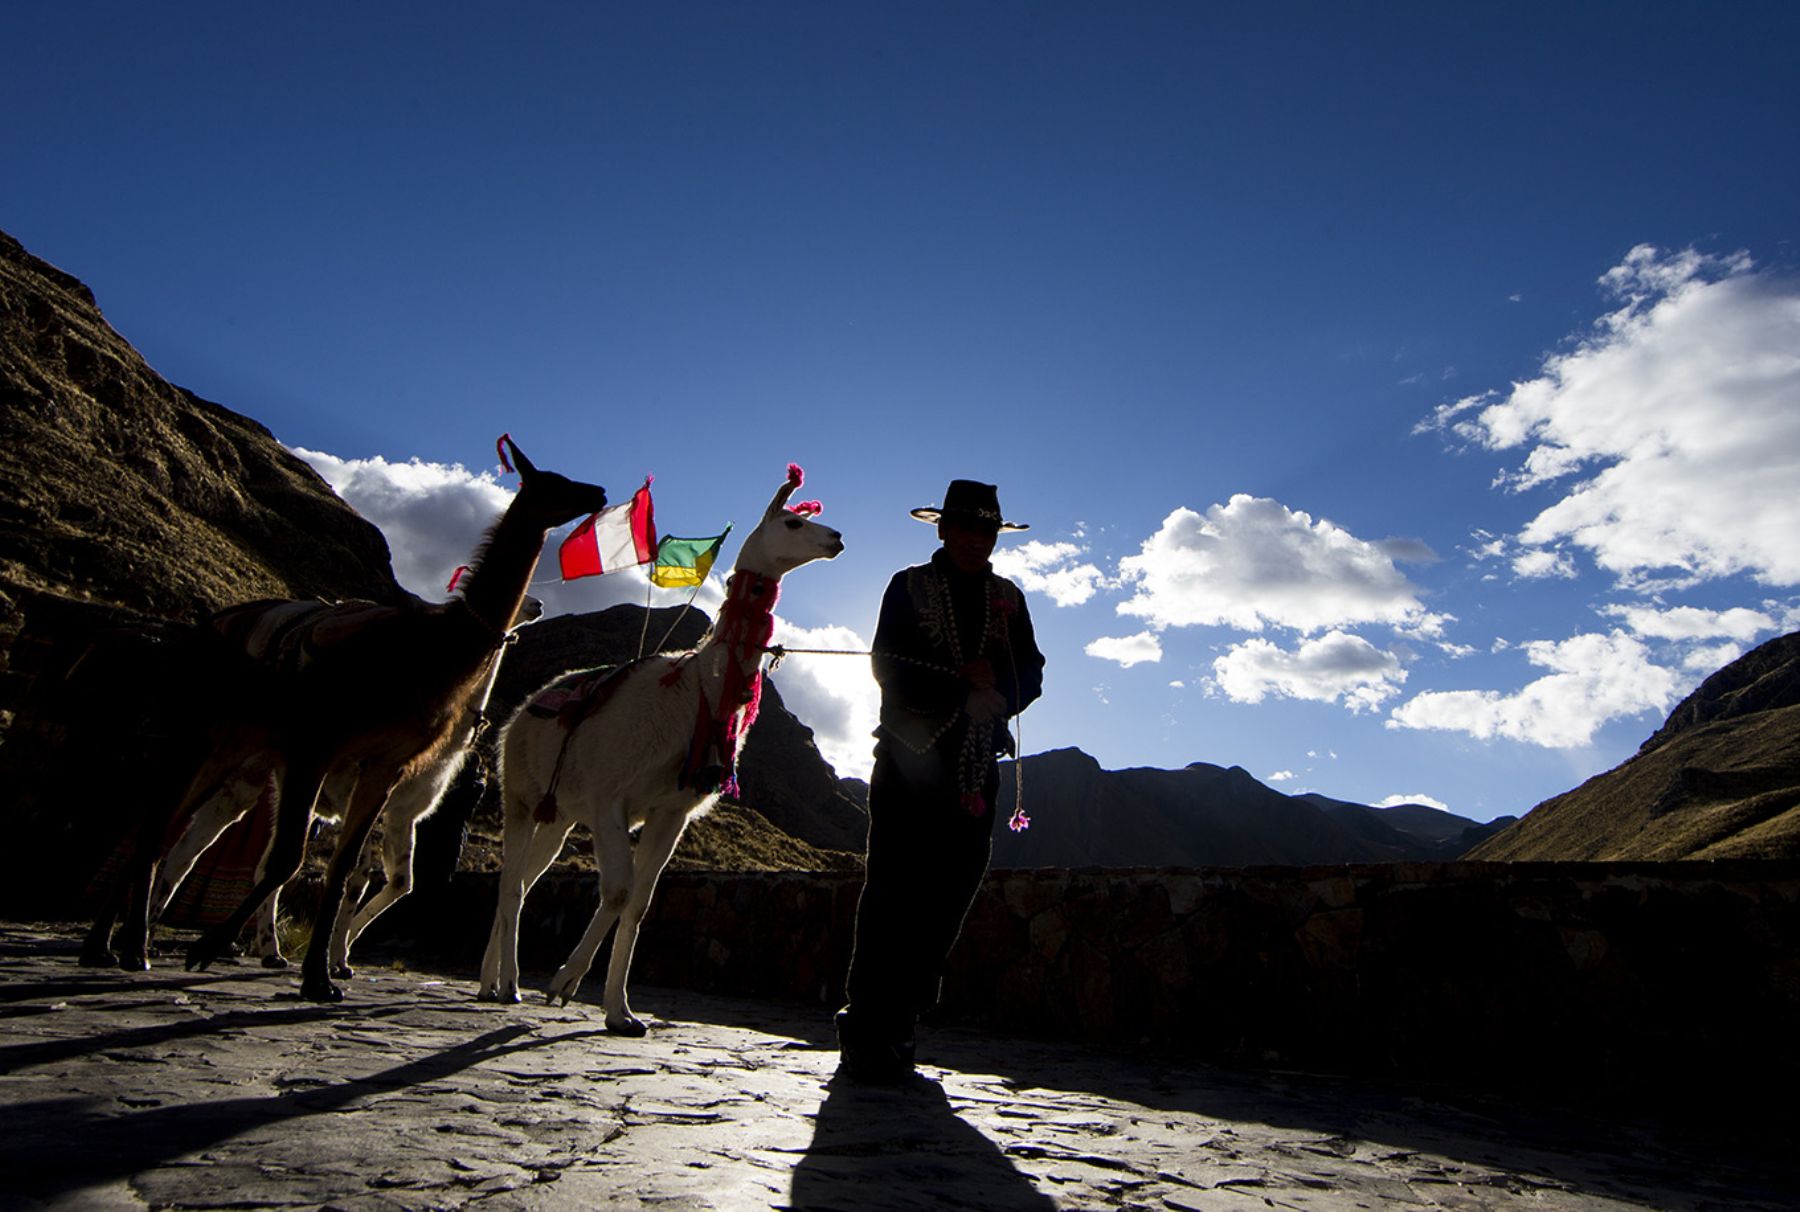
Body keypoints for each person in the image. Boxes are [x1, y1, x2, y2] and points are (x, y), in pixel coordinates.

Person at [836, 479, 1046, 1082]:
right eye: (967, 527)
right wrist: (961, 688)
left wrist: (1000, 698)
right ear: (943, 529)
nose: (978, 540)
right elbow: (887, 666)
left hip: (976, 767)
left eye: (987, 530)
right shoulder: (907, 587)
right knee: (893, 889)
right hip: (908, 762)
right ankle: (867, 1020)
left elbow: (1031, 670)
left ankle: (902, 1017)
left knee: (952, 888)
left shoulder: (1010, 598)